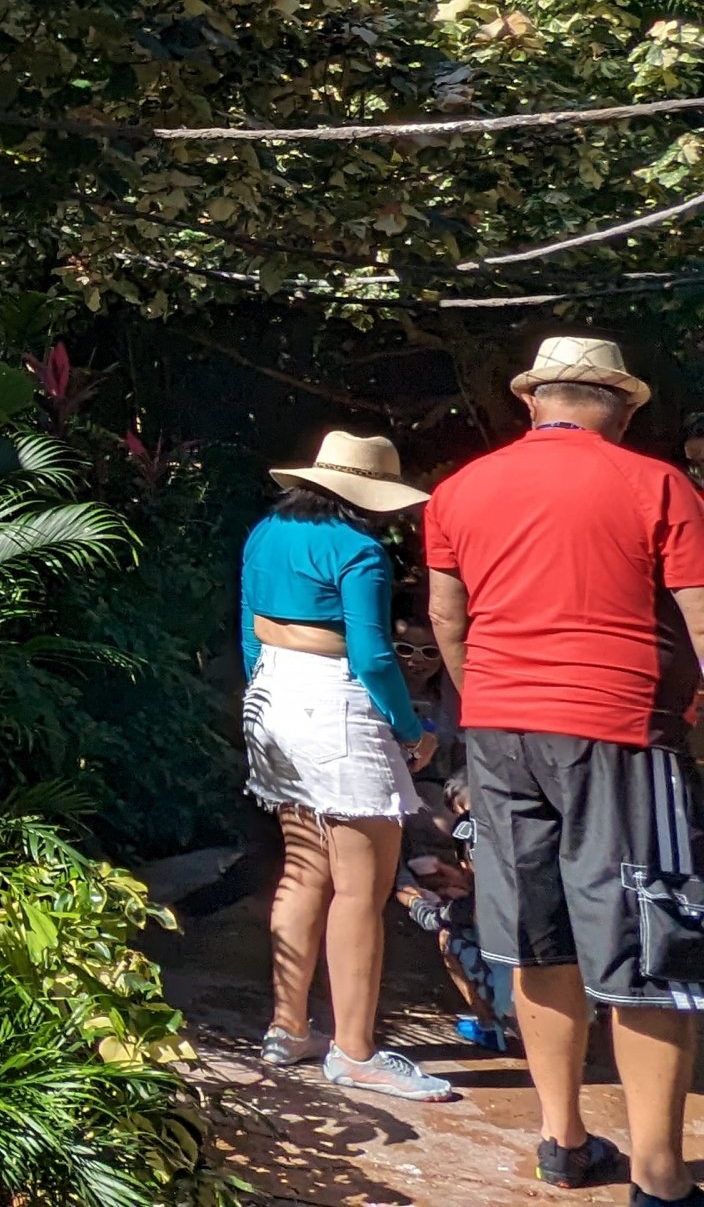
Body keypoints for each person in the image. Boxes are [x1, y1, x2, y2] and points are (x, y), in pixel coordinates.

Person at [426, 335, 704, 1204]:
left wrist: (489, 702)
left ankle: (564, 1140)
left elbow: (447, 619)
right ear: (619, 405)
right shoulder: (658, 484)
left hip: (502, 731)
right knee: (649, 947)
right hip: (618, 731)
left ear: (534, 403)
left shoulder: (459, 489)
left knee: (534, 940)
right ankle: (660, 1178)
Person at [241, 429, 456, 1100]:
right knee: (362, 886)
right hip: (337, 703)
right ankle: (355, 1049)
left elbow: (250, 632)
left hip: (272, 697)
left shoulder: (264, 532)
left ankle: (287, 1027)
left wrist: (264, 696)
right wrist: (409, 728)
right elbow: (370, 654)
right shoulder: (360, 550)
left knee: (302, 871)